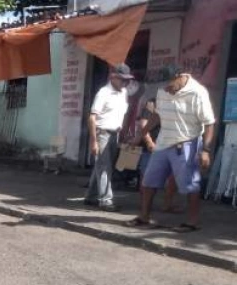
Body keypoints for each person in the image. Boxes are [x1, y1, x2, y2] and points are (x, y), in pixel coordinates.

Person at [129, 65, 216, 233]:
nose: (166, 88)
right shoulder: (163, 91)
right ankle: (144, 217)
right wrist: (141, 135)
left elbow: (209, 123)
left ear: (180, 76)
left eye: (169, 84)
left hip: (186, 144)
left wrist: (206, 150)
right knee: (148, 182)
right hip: (162, 143)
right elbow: (157, 115)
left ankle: (192, 222)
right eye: (164, 85)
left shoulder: (198, 92)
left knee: (190, 185)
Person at [84, 63, 134, 212]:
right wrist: (93, 142)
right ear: (113, 77)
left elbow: (123, 113)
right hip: (102, 133)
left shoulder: (123, 92)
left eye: (127, 80)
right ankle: (106, 200)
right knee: (105, 168)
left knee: (102, 166)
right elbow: (92, 118)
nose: (125, 83)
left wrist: (123, 132)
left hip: (114, 134)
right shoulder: (103, 93)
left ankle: (91, 196)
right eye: (122, 79)